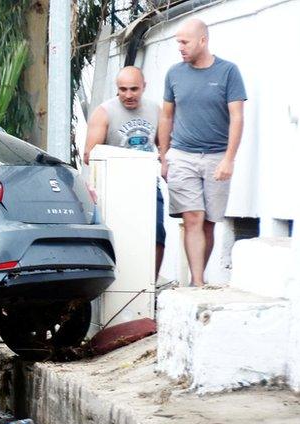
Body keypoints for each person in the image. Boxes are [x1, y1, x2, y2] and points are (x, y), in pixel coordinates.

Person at [158, 18, 246, 286]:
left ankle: (200, 276)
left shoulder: (228, 72)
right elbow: (166, 117)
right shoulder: (174, 73)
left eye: (184, 42)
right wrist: (164, 156)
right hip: (182, 155)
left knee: (209, 222)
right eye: (178, 42)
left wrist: (229, 159)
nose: (180, 48)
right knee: (192, 216)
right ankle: (197, 282)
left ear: (202, 41)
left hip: (218, 156)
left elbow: (237, 117)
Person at [84, 66, 165, 278]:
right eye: (123, 89)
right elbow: (89, 155)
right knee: (120, 238)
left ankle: (150, 286)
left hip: (147, 183)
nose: (128, 95)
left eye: (134, 89)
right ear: (117, 89)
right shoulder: (104, 112)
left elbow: (165, 146)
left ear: (144, 87)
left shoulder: (155, 110)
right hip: (115, 185)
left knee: (157, 236)